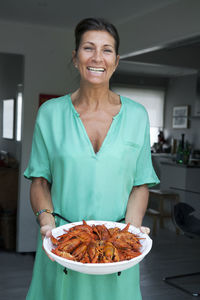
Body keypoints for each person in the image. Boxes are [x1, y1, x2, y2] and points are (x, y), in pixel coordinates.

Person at [24, 17, 159, 300]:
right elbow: (39, 180)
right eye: (89, 48)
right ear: (75, 58)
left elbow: (140, 184)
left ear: (117, 61)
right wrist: (46, 222)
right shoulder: (50, 113)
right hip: (63, 247)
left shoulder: (137, 115)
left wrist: (132, 230)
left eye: (107, 50)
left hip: (118, 254)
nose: (98, 57)